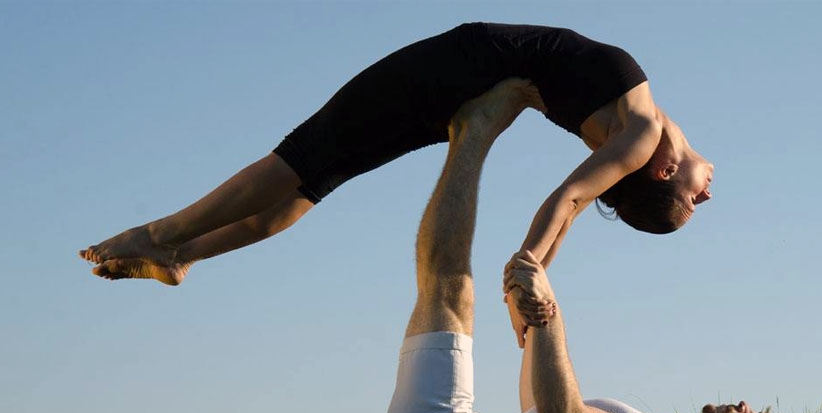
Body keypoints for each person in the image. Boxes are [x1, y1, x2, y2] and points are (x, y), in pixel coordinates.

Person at [78, 23, 714, 344]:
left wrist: (527, 268)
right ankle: (182, 256)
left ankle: (163, 236)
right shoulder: (632, 132)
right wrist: (529, 276)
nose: (707, 192)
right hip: (462, 89)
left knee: (297, 166)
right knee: (309, 184)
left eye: (691, 199)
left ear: (657, 171)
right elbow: (573, 209)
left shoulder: (638, 128)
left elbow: (569, 201)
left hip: (453, 69)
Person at [379, 83, 788, 413]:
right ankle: (470, 129)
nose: (744, 406)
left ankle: (474, 127)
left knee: (450, 288)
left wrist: (546, 306)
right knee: (444, 288)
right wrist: (536, 316)